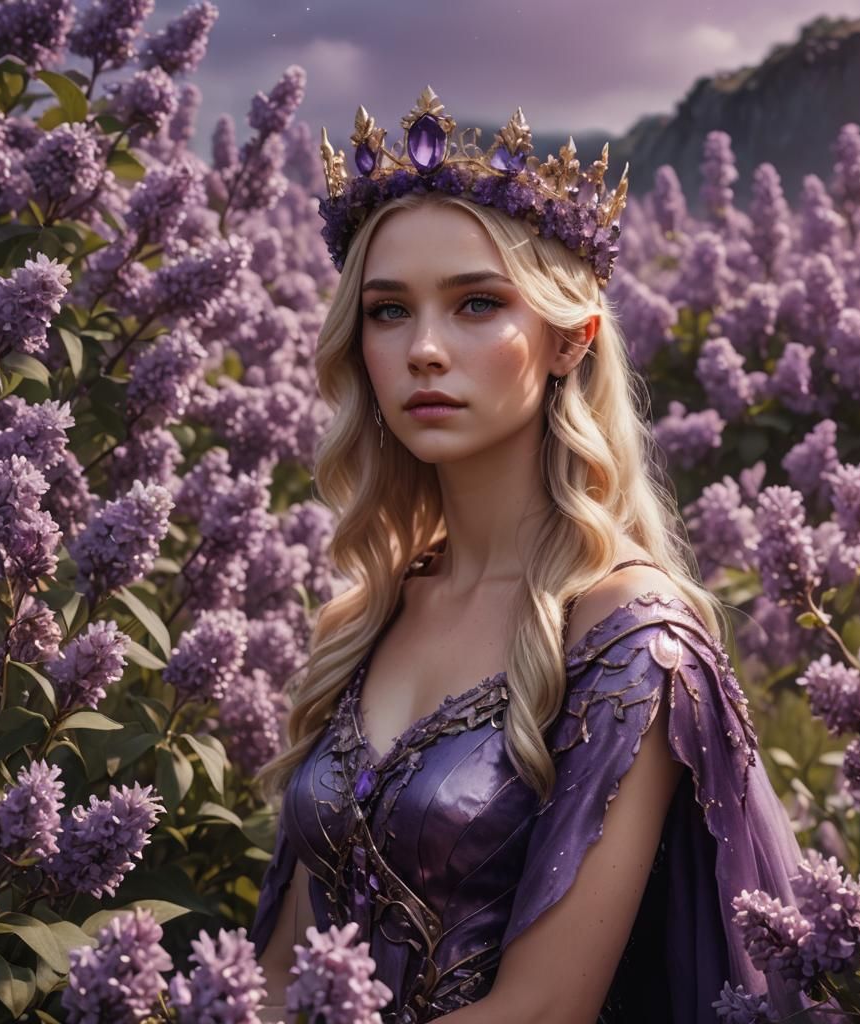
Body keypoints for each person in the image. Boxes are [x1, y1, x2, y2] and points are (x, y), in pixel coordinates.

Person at [248, 87, 817, 1023]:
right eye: (388, 311)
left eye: (477, 303)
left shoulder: (631, 638)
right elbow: (278, 966)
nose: (424, 349)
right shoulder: (373, 611)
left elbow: (547, 1007)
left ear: (568, 339)